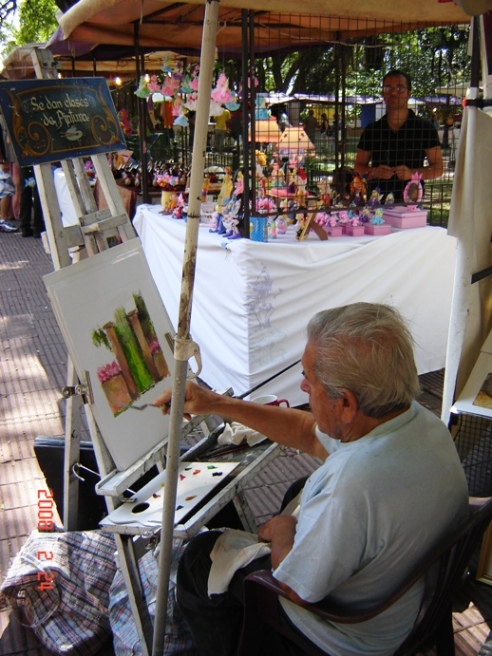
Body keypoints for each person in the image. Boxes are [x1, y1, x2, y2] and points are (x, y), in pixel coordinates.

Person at [153, 302, 469, 656]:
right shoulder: (419, 422)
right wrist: (214, 403)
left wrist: (284, 528)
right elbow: (310, 434)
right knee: (297, 489)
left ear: (346, 404)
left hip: (350, 633)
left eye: (309, 379)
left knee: (198, 559)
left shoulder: (352, 486)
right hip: (402, 593)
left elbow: (297, 588)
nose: (303, 386)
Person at [355, 70, 443, 203]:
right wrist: (373, 172)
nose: (394, 92)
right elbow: (358, 167)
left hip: (410, 203)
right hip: (376, 204)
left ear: (409, 93)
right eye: (388, 88)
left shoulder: (425, 128)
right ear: (383, 94)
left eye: (400, 88)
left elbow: (438, 168)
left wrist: (412, 174)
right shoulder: (372, 130)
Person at [19, 166, 45, 238]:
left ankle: (25, 226)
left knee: (26, 192)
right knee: (38, 192)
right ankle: (38, 226)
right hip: (36, 160)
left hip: (24, 160)